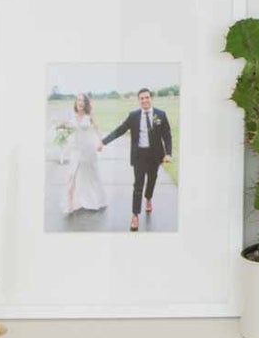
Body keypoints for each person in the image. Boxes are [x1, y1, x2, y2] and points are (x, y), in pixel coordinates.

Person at [103, 87, 174, 233]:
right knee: (138, 185)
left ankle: (148, 198)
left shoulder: (160, 114)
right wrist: (104, 142)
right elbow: (120, 130)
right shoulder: (133, 115)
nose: (145, 100)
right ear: (139, 100)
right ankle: (135, 215)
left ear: (151, 98)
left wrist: (168, 153)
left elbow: (167, 135)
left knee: (152, 179)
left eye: (147, 97)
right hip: (139, 156)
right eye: (142, 98)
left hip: (155, 156)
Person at [56, 91, 108, 216]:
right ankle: (70, 204)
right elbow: (65, 128)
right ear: (76, 102)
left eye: (83, 101)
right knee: (71, 176)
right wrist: (60, 130)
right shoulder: (71, 115)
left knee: (91, 176)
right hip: (75, 150)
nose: (80, 102)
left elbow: (97, 129)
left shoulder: (89, 116)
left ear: (86, 103)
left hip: (88, 150)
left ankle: (96, 200)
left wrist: (101, 142)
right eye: (78, 100)